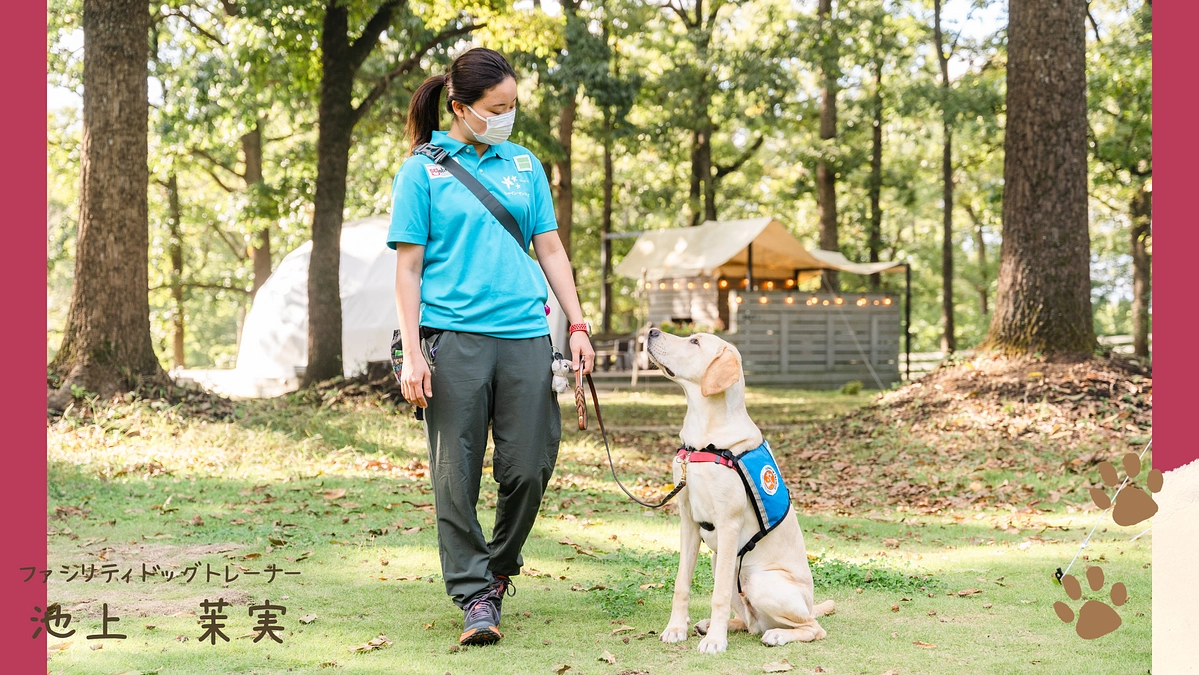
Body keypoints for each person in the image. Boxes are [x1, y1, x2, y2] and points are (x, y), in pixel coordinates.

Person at [387, 47, 595, 647]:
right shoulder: (422, 170)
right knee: (455, 474)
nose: (506, 117)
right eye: (495, 108)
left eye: (512, 106)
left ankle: (498, 569)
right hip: (453, 338)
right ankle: (473, 593)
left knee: (529, 467)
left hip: (527, 334)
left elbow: (550, 249)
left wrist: (577, 325)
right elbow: (408, 270)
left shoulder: (526, 165)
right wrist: (416, 353)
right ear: (460, 108)